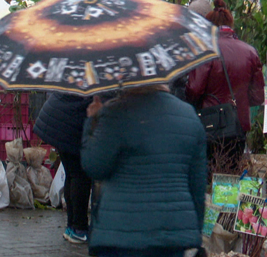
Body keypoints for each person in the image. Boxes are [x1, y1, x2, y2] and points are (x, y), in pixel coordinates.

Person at [80, 85, 207, 257]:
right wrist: (193, 233)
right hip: (172, 236)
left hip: (120, 234)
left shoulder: (114, 113)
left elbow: (94, 166)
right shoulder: (189, 116)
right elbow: (198, 187)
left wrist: (93, 121)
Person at [186, 0, 264, 169]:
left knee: (208, 178)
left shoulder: (205, 51)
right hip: (239, 127)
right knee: (231, 179)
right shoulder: (250, 52)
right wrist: (238, 100)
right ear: (231, 23)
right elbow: (258, 97)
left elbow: (194, 90)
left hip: (210, 125)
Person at [33, 93, 96, 244]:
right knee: (80, 175)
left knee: (72, 173)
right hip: (68, 123)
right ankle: (79, 228)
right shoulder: (95, 76)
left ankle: (72, 226)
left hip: (58, 119)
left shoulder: (79, 72)